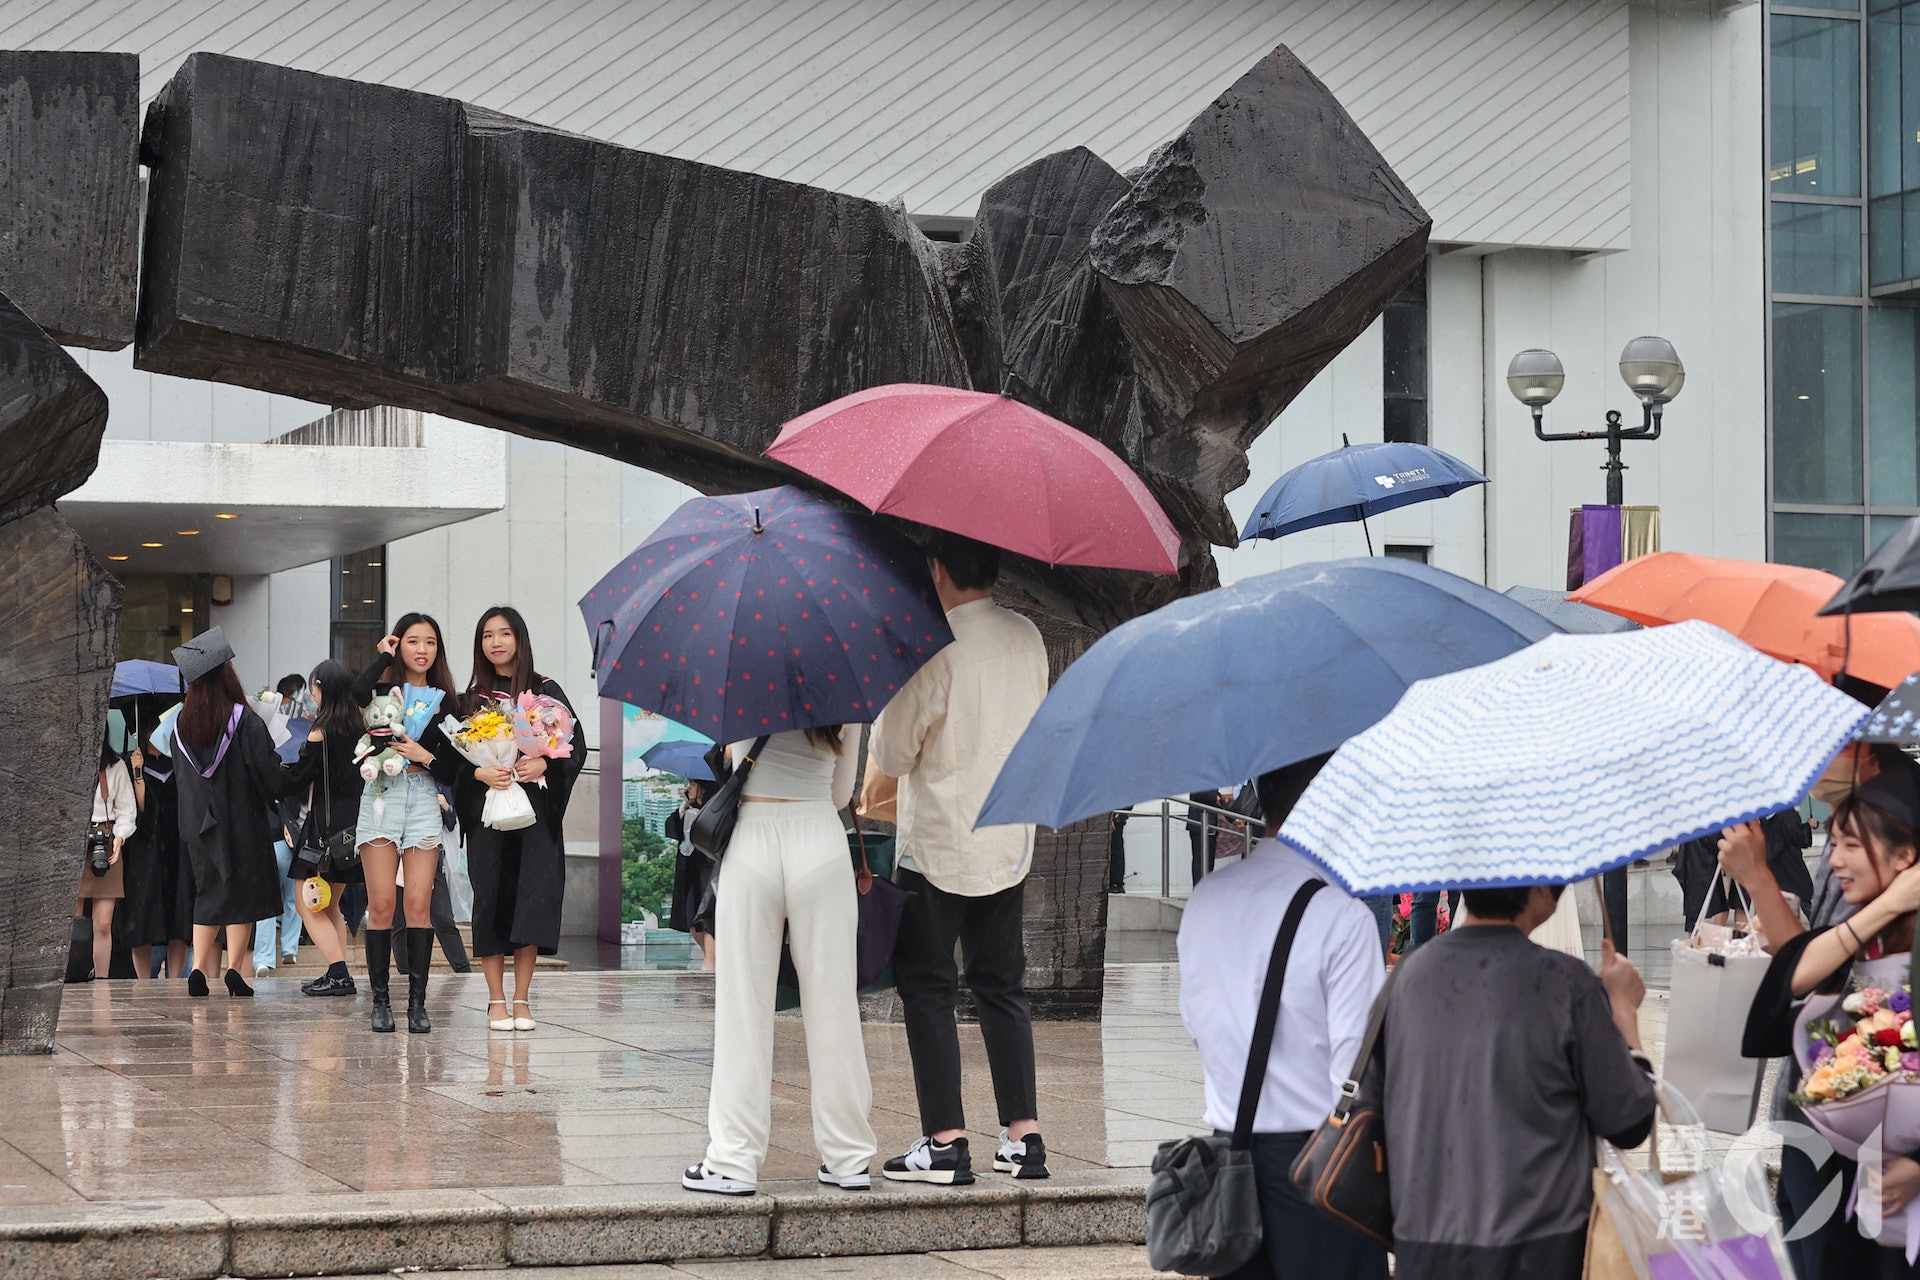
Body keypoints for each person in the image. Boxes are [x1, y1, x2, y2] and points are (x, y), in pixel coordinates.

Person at [869, 530, 1050, 1185]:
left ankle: (945, 1142)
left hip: (940, 845)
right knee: (1003, 987)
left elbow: (893, 754)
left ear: (938, 568)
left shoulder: (930, 646)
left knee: (929, 988)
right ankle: (1023, 1138)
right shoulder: (1028, 637)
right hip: (1009, 839)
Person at [1177, 753, 1388, 1280]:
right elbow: (1358, 1073)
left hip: (1228, 1157)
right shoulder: (1342, 916)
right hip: (1320, 1168)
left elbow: (1195, 1027)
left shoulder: (1206, 898)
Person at [1384, 883, 1656, 1279]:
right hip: (1540, 1248)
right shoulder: (1565, 982)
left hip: (1424, 1245)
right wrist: (1624, 1013)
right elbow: (1628, 1121)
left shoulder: (1408, 976)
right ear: (1538, 887)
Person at [1744, 756, 1920, 1280]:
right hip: (1845, 1176)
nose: (1835, 861)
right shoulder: (1865, 944)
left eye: (1850, 846)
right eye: (1833, 843)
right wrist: (1887, 906)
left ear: (1905, 855)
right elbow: (1785, 989)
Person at [681, 723, 874, 1197]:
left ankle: (733, 1160)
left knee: (743, 1005)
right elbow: (839, 793)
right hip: (820, 840)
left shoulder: (744, 671)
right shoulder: (844, 686)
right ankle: (848, 1158)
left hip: (753, 839)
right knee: (833, 1004)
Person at [453, 607, 581, 1032]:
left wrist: (545, 764)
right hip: (488, 816)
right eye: (487, 635)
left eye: (504, 633)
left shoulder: (545, 692)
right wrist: (478, 771)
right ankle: (495, 1001)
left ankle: (522, 999)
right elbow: (453, 763)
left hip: (535, 818)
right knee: (490, 901)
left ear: (519, 639)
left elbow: (573, 745)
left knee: (531, 899)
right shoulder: (471, 700)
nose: (496, 642)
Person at [351, 613, 462, 1033]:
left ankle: (417, 1004)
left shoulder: (447, 699)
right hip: (380, 794)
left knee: (418, 906)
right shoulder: (381, 688)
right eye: (413, 641)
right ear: (399, 645)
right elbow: (357, 692)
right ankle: (381, 1002)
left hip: (422, 797)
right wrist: (381, 657)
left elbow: (452, 766)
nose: (422, 649)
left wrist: (422, 754)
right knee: (381, 905)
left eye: (430, 642)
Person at [169, 627, 295, 998]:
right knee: (246, 894)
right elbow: (268, 774)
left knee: (208, 893)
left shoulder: (179, 723)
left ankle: (197, 968)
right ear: (226, 674)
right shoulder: (245, 719)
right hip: (243, 822)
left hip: (198, 824)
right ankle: (235, 969)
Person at [285, 660, 365, 997]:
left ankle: (338, 973)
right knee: (330, 905)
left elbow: (299, 779)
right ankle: (337, 971)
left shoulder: (321, 731)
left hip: (323, 828)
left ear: (321, 687)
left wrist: (278, 765)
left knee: (307, 903)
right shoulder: (360, 728)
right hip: (354, 829)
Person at [76, 732, 136, 981]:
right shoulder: (67, 760)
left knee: (103, 922)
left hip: (106, 837)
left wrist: (119, 838)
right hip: (73, 837)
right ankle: (71, 974)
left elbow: (126, 810)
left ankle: (101, 982)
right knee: (72, 920)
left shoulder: (115, 765)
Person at [666, 779, 717, 970]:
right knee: (693, 923)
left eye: (693, 785)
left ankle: (710, 964)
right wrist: (685, 804)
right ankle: (711, 960)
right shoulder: (690, 810)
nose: (689, 788)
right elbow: (674, 830)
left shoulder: (715, 808)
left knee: (708, 919)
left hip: (708, 869)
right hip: (690, 873)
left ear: (703, 788)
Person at [1108, 808, 1129, 894]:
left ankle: (1115, 883)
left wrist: (1111, 818)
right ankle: (1115, 883)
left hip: (1116, 817)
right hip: (1108, 815)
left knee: (1115, 849)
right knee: (1115, 849)